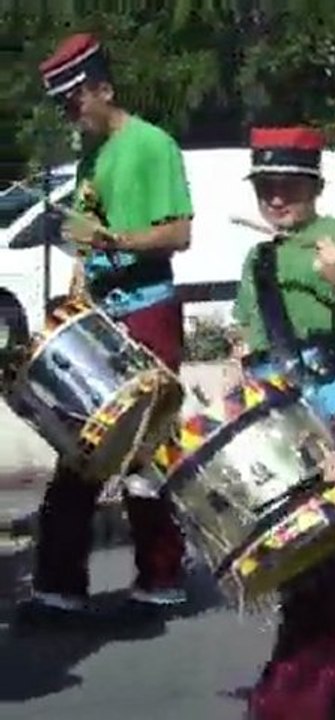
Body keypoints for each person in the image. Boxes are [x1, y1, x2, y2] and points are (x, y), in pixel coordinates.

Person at [18, 32, 192, 624]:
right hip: (102, 314)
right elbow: (85, 241)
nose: (71, 113)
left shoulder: (151, 145)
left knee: (145, 451)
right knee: (80, 448)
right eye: (62, 105)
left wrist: (114, 240)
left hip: (147, 310)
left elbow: (178, 234)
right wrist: (75, 299)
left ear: (104, 89)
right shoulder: (92, 156)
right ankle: (58, 589)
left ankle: (161, 581)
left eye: (75, 101)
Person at [229, 126, 335, 720]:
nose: (276, 198)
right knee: (294, 558)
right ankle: (320, 683)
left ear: (314, 186)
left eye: (288, 186)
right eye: (265, 188)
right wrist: (234, 379)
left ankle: (326, 687)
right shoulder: (258, 257)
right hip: (282, 419)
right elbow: (246, 336)